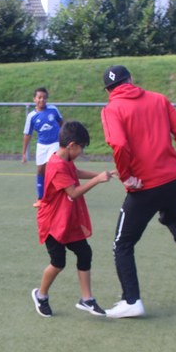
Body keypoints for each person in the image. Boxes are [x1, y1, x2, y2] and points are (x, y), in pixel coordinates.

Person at [99, 65, 176, 318]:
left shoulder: (111, 109)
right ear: (131, 79)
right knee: (172, 216)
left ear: (108, 90)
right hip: (173, 179)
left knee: (122, 244)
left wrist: (127, 176)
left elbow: (119, 144)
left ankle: (131, 300)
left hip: (144, 185)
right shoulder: (159, 99)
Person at [31, 120, 117, 318]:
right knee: (58, 263)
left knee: (84, 253)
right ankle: (41, 295)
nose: (81, 152)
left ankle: (87, 299)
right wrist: (97, 180)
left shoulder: (64, 159)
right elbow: (73, 192)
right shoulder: (57, 165)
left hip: (67, 219)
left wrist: (101, 174)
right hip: (53, 223)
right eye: (81, 148)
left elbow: (76, 173)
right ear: (71, 145)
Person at [22, 87, 63, 207]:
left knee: (53, 167)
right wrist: (24, 153)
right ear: (34, 99)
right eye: (39, 97)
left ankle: (57, 195)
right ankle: (40, 198)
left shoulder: (53, 109)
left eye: (44, 98)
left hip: (55, 143)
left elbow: (62, 123)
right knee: (40, 170)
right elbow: (27, 134)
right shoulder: (31, 116)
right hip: (41, 145)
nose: (42, 100)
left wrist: (66, 137)